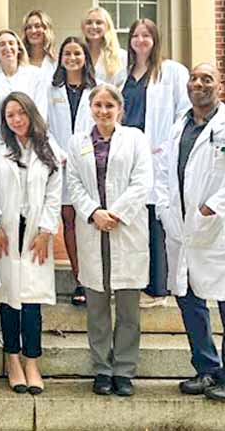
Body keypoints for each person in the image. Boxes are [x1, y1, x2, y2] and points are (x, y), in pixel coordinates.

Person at [155, 62, 225, 402]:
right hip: (181, 228)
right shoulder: (179, 127)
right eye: (194, 78)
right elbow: (163, 174)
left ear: (219, 86)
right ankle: (206, 368)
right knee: (189, 300)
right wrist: (164, 209)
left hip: (218, 228)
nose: (198, 84)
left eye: (207, 79)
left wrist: (212, 207)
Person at [66, 83, 152, 397]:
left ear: (119, 109)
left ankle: (124, 371)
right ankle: (102, 369)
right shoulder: (78, 143)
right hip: (92, 229)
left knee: (128, 309)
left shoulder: (135, 139)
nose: (103, 111)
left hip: (124, 229)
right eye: (98, 105)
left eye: (109, 106)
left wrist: (114, 213)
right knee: (97, 308)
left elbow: (143, 181)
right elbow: (73, 183)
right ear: (91, 109)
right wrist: (93, 213)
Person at [0, 92, 62, 397]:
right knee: (9, 300)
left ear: (31, 114)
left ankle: (31, 361)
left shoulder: (49, 149)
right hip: (6, 230)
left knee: (31, 302)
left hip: (35, 233)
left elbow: (54, 194)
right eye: (10, 115)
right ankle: (11, 359)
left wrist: (47, 231)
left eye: (21, 113)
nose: (16, 119)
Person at [123, 19, 191, 308]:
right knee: (134, 218)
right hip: (128, 154)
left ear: (155, 39)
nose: (140, 40)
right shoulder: (123, 75)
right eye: (136, 35)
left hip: (157, 153)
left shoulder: (172, 72)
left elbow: (184, 112)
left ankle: (158, 287)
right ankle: (138, 282)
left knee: (156, 218)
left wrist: (169, 146)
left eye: (146, 35)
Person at [47, 37, 97, 307]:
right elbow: (43, 126)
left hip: (90, 163)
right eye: (67, 53)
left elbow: (103, 123)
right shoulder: (51, 89)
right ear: (61, 58)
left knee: (87, 220)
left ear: (85, 57)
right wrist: (58, 151)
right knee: (68, 220)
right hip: (61, 162)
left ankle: (93, 279)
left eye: (77, 53)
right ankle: (80, 279)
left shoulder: (96, 89)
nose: (72, 58)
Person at [0, 29, 48, 141]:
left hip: (30, 140)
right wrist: (1, 143)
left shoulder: (35, 75)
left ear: (18, 48)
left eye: (11, 43)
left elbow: (40, 112)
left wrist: (26, 139)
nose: (7, 48)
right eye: (2, 44)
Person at [81, 7, 127, 88]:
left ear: (107, 27)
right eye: (89, 22)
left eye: (99, 22)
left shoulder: (121, 56)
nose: (94, 26)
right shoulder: (77, 55)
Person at [21, 10, 57, 80]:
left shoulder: (56, 62)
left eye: (37, 26)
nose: (33, 31)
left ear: (46, 29)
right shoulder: (19, 63)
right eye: (29, 27)